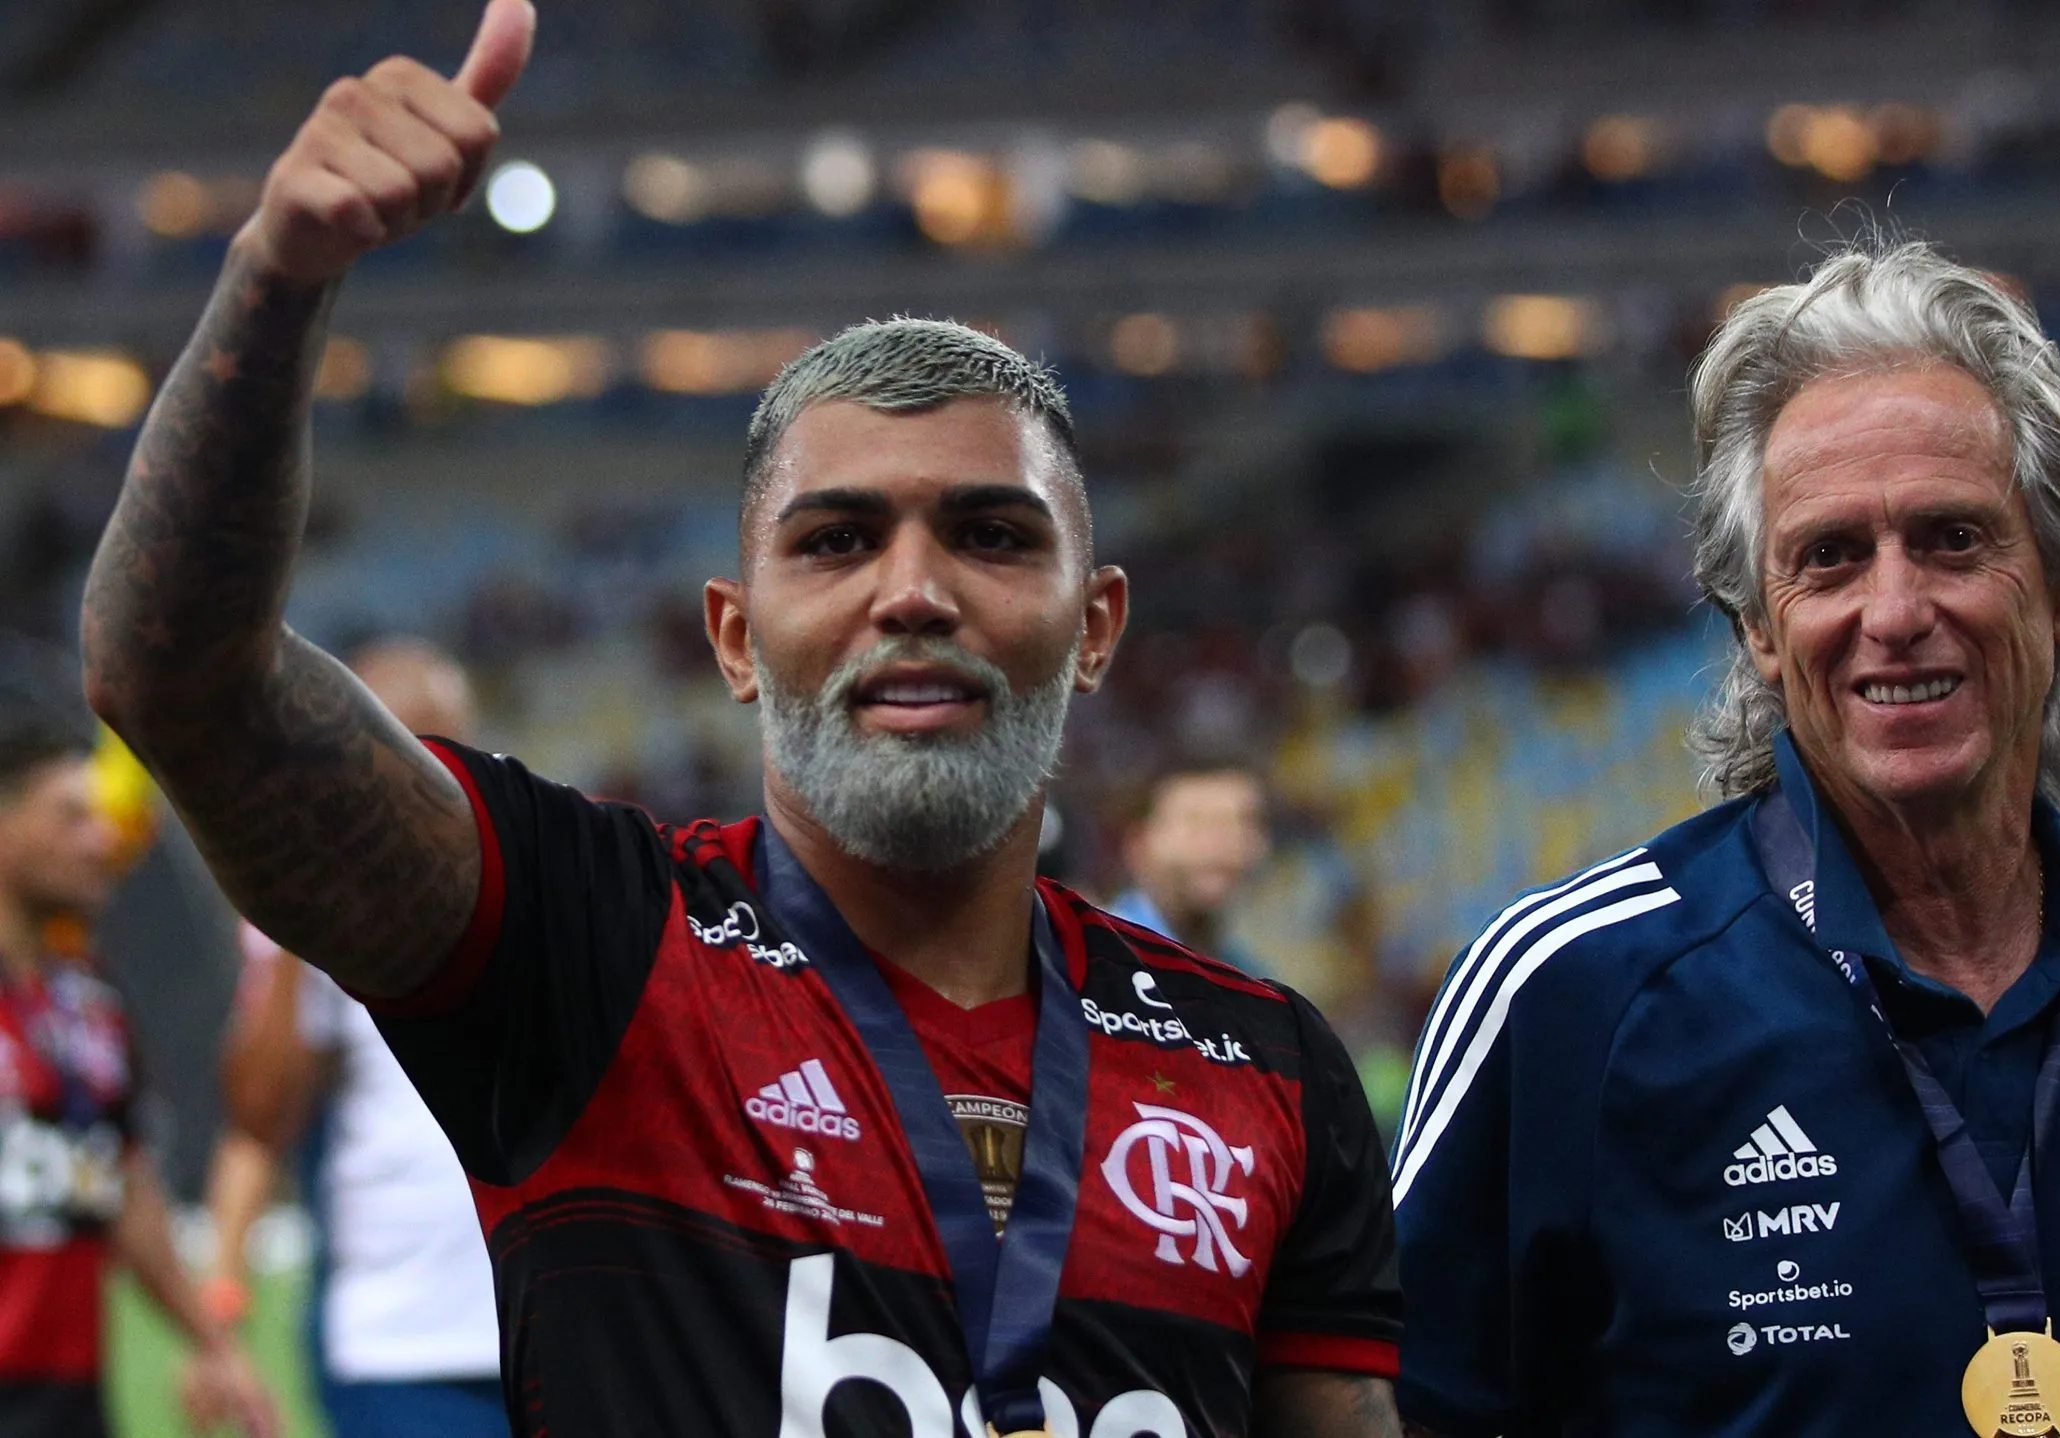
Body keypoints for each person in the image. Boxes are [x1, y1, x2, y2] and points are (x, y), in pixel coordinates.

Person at [79, 5, 1401, 1435]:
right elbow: (183, 684)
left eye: (991, 535)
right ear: (733, 639)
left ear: (1095, 630)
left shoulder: (1264, 1061)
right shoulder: (590, 948)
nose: (913, 591)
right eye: (835, 540)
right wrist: (278, 281)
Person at [1391, 240, 2060, 1438]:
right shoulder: (1568, 989)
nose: (1894, 612)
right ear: (1757, 626)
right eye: (1828, 557)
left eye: (1954, 539)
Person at [199, 639, 504, 1438]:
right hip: (398, 1338)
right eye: (403, 749)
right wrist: (299, 928)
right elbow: (260, 1117)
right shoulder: (311, 914)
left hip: (557, 1318)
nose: (433, 778)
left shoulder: (537, 880)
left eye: (449, 747)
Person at [0, 698, 276, 1438]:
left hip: (69, 1396)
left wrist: (214, 1345)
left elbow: (120, 1184)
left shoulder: (88, 1002)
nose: (102, 841)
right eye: (72, 817)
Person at [1109, 759, 1274, 975]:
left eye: (1241, 823)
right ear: (1138, 844)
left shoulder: (1252, 978)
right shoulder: (1094, 958)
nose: (1220, 843)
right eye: (1195, 822)